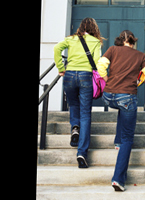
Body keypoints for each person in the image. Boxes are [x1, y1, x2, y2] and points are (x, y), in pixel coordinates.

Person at [97, 30, 145, 192]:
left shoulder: (112, 50)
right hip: (127, 96)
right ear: (133, 42)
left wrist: (108, 81)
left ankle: (117, 141)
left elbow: (100, 66)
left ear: (120, 40)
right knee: (128, 138)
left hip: (108, 97)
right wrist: (138, 81)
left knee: (122, 110)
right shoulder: (140, 55)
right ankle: (118, 179)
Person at [53, 17, 105, 168]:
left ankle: (75, 128)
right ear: (94, 28)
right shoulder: (96, 42)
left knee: (73, 104)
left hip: (69, 75)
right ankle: (82, 152)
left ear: (80, 27)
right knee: (85, 113)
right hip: (86, 76)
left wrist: (61, 68)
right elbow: (97, 61)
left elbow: (57, 48)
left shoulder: (71, 39)